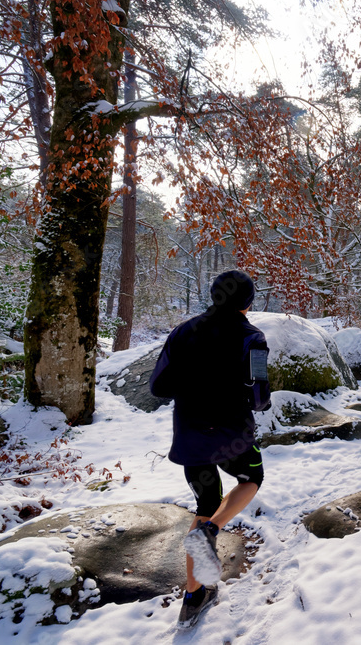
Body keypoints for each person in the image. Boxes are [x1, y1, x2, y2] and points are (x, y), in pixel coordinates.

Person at [149, 270, 271, 629]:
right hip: (233, 434)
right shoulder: (253, 337)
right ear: (248, 304)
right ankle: (214, 528)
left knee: (204, 501)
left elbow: (158, 386)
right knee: (252, 477)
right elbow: (260, 397)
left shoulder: (183, 331)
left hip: (191, 435)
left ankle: (193, 597)